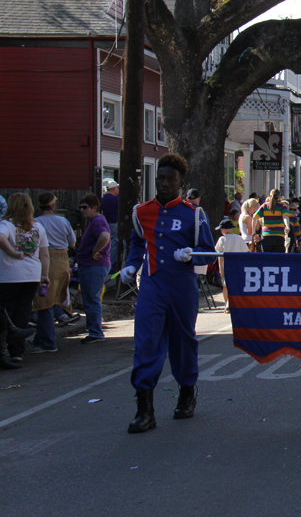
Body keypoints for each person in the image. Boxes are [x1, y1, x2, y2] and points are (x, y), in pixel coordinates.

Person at [120, 153, 216, 433]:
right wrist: (130, 265)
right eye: (161, 178)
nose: (164, 183)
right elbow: (138, 243)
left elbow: (208, 252)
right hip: (151, 285)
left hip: (181, 287)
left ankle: (186, 393)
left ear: (180, 184)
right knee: (146, 342)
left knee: (183, 341)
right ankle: (144, 409)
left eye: (171, 180)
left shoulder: (193, 214)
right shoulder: (142, 211)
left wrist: (191, 254)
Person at [0, 193, 47, 367]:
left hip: (8, 275)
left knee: (6, 312)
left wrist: (12, 253)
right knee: (23, 312)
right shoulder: (37, 227)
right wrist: (44, 276)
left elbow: (0, 238)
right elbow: (45, 254)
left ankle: (5, 349)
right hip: (32, 274)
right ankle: (17, 352)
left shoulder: (6, 225)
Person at [29, 193, 77, 353]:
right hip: (62, 262)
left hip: (45, 262)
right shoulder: (63, 221)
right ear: (53, 206)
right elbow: (72, 243)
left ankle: (47, 342)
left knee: (44, 303)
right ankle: (40, 338)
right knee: (55, 299)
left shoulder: (36, 223)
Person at [76, 193, 111, 344]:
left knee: (91, 299)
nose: (82, 210)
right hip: (93, 265)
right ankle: (94, 330)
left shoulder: (96, 221)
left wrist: (95, 250)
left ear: (94, 207)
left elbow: (104, 236)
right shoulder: (96, 220)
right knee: (91, 298)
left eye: (85, 207)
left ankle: (95, 332)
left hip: (93, 266)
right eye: (80, 208)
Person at [214, 218, 249, 313]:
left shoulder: (222, 239)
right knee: (237, 284)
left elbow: (219, 255)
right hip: (238, 265)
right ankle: (235, 302)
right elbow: (245, 253)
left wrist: (220, 268)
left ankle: (227, 303)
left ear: (225, 229)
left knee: (225, 285)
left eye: (221, 229)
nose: (221, 231)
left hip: (226, 265)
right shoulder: (239, 238)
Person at [101, 179, 119, 269]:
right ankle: (112, 264)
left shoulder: (103, 199)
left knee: (107, 244)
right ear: (114, 189)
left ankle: (106, 262)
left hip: (106, 224)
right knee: (114, 244)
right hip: (114, 224)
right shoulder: (115, 199)